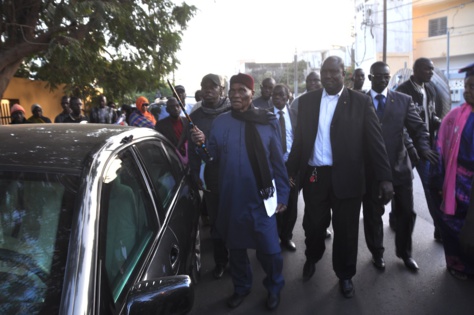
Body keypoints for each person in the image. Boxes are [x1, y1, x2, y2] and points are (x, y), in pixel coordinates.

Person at [286, 56, 393, 298]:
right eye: (325, 72)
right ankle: (312, 256)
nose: (328, 77)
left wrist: (385, 178)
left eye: (334, 72)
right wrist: (289, 172)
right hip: (316, 176)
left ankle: (345, 275)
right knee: (313, 225)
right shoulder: (307, 102)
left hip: (348, 178)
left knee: (345, 231)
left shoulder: (360, 102)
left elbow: (376, 143)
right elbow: (300, 142)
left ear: (343, 74)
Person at [190, 73, 290, 310]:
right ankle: (241, 288)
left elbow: (277, 161)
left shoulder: (266, 121)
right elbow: (210, 157)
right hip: (232, 199)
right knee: (236, 251)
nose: (236, 94)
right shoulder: (221, 122)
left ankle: (274, 287)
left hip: (261, 199)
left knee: (271, 252)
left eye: (241, 90)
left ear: (251, 94)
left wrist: (283, 194)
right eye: (232, 90)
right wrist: (201, 143)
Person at [362, 61, 438, 272]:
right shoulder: (360, 102)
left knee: (406, 212)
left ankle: (405, 253)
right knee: (373, 215)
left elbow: (419, 128)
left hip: (399, 167)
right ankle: (377, 252)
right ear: (370, 78)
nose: (383, 79)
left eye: (387, 76)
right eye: (378, 76)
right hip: (372, 172)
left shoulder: (403, 100)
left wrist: (423, 147)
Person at [430, 63, 474, 280]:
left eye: (472, 87)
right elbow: (439, 148)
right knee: (453, 225)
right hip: (457, 182)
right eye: (466, 86)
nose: (467, 91)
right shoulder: (454, 116)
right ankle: (457, 265)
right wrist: (438, 181)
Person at [188, 73, 231, 280]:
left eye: (213, 86)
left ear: (222, 90)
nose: (208, 90)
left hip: (234, 175)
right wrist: (197, 174)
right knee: (216, 223)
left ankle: (238, 261)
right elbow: (192, 153)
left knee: (236, 219)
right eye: (204, 86)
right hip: (211, 179)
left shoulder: (233, 111)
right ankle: (221, 261)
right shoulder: (195, 118)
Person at [396, 57, 443, 241]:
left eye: (432, 69)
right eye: (427, 69)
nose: (431, 72)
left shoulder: (431, 89)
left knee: (431, 188)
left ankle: (439, 229)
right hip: (407, 149)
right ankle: (395, 218)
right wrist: (412, 146)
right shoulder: (402, 91)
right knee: (400, 187)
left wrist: (438, 122)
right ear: (415, 70)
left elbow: (432, 114)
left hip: (426, 149)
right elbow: (400, 124)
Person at [271, 84, 299, 252]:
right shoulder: (265, 116)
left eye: (281, 94)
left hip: (292, 166)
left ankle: (286, 237)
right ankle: (273, 237)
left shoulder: (295, 115)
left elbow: (299, 143)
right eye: (275, 94)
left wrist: (291, 172)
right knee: (272, 205)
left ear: (288, 96)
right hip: (272, 167)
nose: (277, 97)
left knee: (291, 204)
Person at [155, 97, 189, 161]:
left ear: (181, 108)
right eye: (172, 107)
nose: (175, 109)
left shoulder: (187, 121)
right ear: (167, 110)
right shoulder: (161, 125)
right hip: (172, 158)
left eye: (177, 106)